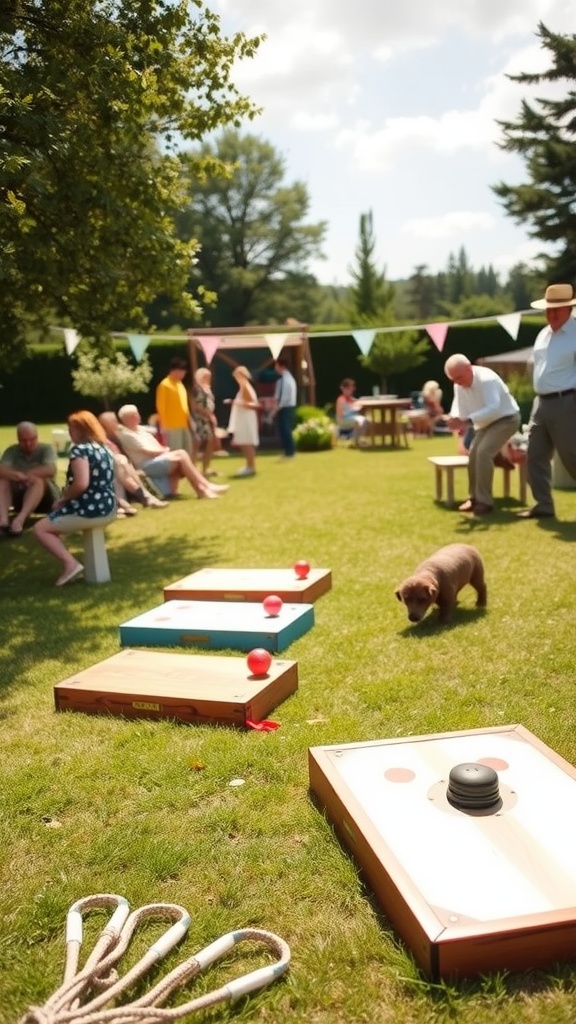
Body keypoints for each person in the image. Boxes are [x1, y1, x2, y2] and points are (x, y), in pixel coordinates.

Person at [33, 411, 116, 586]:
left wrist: (62, 499)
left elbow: (81, 483)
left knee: (40, 528)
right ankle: (70, 560)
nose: (69, 432)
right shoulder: (105, 449)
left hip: (88, 508)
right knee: (53, 523)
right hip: (108, 507)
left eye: (71, 429)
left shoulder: (80, 450)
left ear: (80, 429)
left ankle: (70, 564)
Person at [517, 282, 576, 519]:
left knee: (572, 456)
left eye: (557, 309)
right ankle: (543, 505)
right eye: (548, 309)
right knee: (534, 454)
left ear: (569, 309)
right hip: (540, 403)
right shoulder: (543, 334)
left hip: (567, 402)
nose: (551, 313)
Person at [445, 353, 520, 515]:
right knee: (473, 454)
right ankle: (474, 498)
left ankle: (485, 502)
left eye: (459, 377)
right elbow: (459, 405)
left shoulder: (487, 380)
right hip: (483, 423)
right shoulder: (458, 384)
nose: (457, 382)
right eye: (454, 380)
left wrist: (466, 421)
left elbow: (493, 407)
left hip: (506, 419)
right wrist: (455, 418)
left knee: (484, 452)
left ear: (469, 368)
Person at [117, 404, 228, 499]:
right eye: (132, 416)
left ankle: (202, 490)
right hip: (146, 465)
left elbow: (156, 441)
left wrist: (164, 451)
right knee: (181, 455)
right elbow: (149, 451)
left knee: (181, 457)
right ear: (125, 419)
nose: (136, 417)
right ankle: (205, 486)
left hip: (156, 460)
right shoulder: (127, 435)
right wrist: (165, 450)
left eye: (137, 414)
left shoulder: (141, 430)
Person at [98, 412, 168, 511]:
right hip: (115, 470)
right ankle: (143, 498)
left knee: (124, 463)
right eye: (114, 421)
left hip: (125, 469)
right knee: (122, 462)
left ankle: (141, 498)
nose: (117, 423)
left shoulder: (116, 436)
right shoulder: (102, 440)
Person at [0, 421, 60, 536]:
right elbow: (2, 470)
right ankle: (3, 520)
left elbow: (50, 469)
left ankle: (19, 520)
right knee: (3, 481)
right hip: (21, 495)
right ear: (18, 439)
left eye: (32, 439)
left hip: (46, 498)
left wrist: (26, 476)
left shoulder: (46, 449)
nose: (28, 444)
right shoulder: (12, 451)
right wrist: (17, 476)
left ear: (37, 437)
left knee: (37, 480)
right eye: (24, 440)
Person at [155, 357, 193, 456]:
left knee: (187, 449)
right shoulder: (165, 385)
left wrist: (189, 421)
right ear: (176, 370)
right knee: (176, 452)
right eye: (182, 372)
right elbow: (160, 406)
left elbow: (184, 405)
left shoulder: (180, 384)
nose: (183, 374)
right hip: (171, 425)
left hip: (183, 423)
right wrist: (163, 425)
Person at [227, 365, 259, 477]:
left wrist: (235, 403)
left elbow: (253, 404)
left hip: (246, 418)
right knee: (244, 443)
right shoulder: (243, 387)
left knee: (247, 443)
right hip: (243, 418)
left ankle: (251, 467)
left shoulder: (245, 387)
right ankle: (249, 465)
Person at [189, 367, 218, 476]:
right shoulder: (196, 389)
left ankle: (205, 469)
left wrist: (211, 416)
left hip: (208, 419)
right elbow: (194, 406)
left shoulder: (208, 389)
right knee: (197, 444)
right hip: (200, 419)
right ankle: (193, 469)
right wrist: (208, 414)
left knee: (210, 443)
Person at [272, 355, 297, 459]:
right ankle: (287, 451)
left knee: (286, 429)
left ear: (281, 366)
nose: (275, 368)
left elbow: (286, 396)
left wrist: (278, 407)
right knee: (283, 430)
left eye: (276, 365)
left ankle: (290, 452)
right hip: (283, 407)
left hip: (286, 407)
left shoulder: (287, 380)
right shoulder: (282, 379)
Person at [335, 378, 368, 445]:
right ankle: (358, 441)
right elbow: (345, 413)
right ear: (345, 389)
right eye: (351, 387)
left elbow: (356, 404)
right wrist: (356, 408)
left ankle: (358, 440)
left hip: (350, 418)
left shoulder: (351, 399)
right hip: (342, 419)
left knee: (365, 420)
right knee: (359, 421)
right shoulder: (341, 399)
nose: (353, 389)